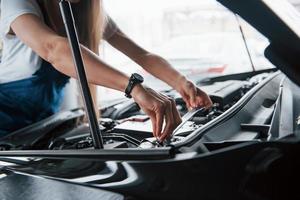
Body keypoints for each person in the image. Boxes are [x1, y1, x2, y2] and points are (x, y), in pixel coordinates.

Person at [0, 0, 212, 141]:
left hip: (44, 124)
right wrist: (135, 88)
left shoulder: (88, 10)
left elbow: (141, 55)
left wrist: (182, 83)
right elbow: (53, 49)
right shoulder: (18, 3)